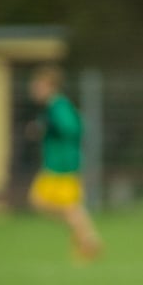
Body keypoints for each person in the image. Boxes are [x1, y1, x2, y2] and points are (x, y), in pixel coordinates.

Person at [27, 64, 102, 260]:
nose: (34, 88)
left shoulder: (58, 106)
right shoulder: (52, 108)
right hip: (55, 165)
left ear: (50, 86)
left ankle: (88, 240)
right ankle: (86, 237)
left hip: (63, 166)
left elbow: (73, 128)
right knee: (45, 203)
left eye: (38, 85)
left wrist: (49, 126)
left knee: (63, 206)